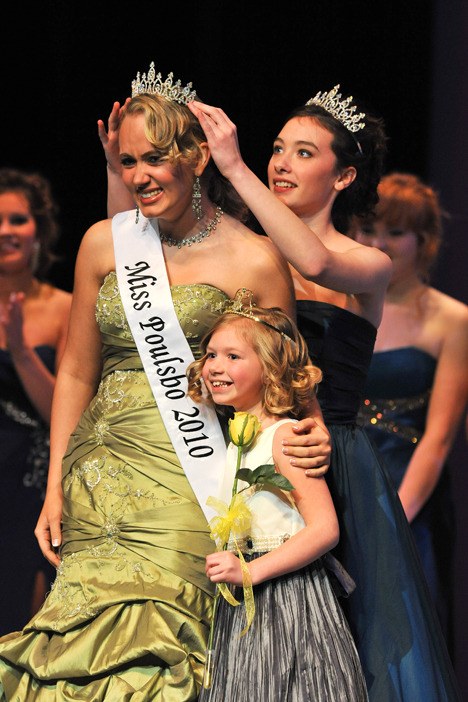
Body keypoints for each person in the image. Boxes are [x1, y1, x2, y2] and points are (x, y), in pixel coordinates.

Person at [0, 65, 330, 701]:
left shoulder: (255, 258)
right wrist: (54, 485)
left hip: (189, 474)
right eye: (127, 161)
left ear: (198, 155)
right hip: (96, 479)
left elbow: (286, 379)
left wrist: (310, 440)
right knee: (76, 652)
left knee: (163, 649)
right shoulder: (104, 243)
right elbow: (74, 370)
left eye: (156, 157)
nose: (140, 176)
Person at [188, 89, 462, 700]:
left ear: (343, 176)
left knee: (346, 649)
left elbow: (312, 257)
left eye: (303, 152)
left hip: (328, 457)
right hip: (239, 450)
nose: (280, 162)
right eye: (278, 148)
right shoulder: (244, 256)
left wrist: (234, 167)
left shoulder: (367, 262)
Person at [186, 304, 368, 700]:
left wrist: (250, 572)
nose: (215, 366)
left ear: (270, 369)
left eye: (233, 356)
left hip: (289, 599)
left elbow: (324, 529)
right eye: (211, 355)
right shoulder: (237, 439)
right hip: (248, 601)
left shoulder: (285, 437)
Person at [353, 172, 468, 657]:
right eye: (369, 228)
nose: (378, 243)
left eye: (395, 232)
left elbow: (438, 440)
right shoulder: (338, 301)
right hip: (339, 481)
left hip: (408, 495)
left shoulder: (453, 319)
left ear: (423, 242)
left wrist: (391, 522)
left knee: (403, 642)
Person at [0, 168, 72, 636]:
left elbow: (60, 411)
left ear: (38, 231)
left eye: (18, 219)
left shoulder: (66, 307)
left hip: (28, 475)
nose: (5, 231)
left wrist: (21, 350)